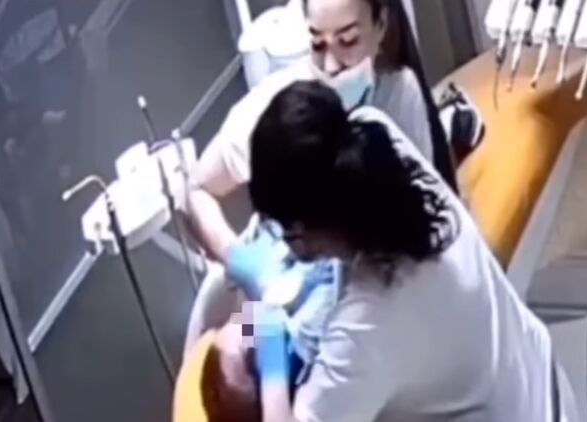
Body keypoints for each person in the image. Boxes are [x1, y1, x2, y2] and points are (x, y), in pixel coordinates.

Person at [206, 80, 578, 422]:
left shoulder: (368, 327)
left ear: (315, 229)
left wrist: (271, 362)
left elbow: (285, 333)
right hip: (531, 375)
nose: (247, 328)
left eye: (284, 229)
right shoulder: (371, 142)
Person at [188, 0, 455, 266]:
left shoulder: (399, 94)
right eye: (317, 44)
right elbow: (196, 190)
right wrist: (241, 263)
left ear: (381, 25)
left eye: (348, 41)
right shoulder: (280, 111)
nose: (330, 66)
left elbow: (423, 209)